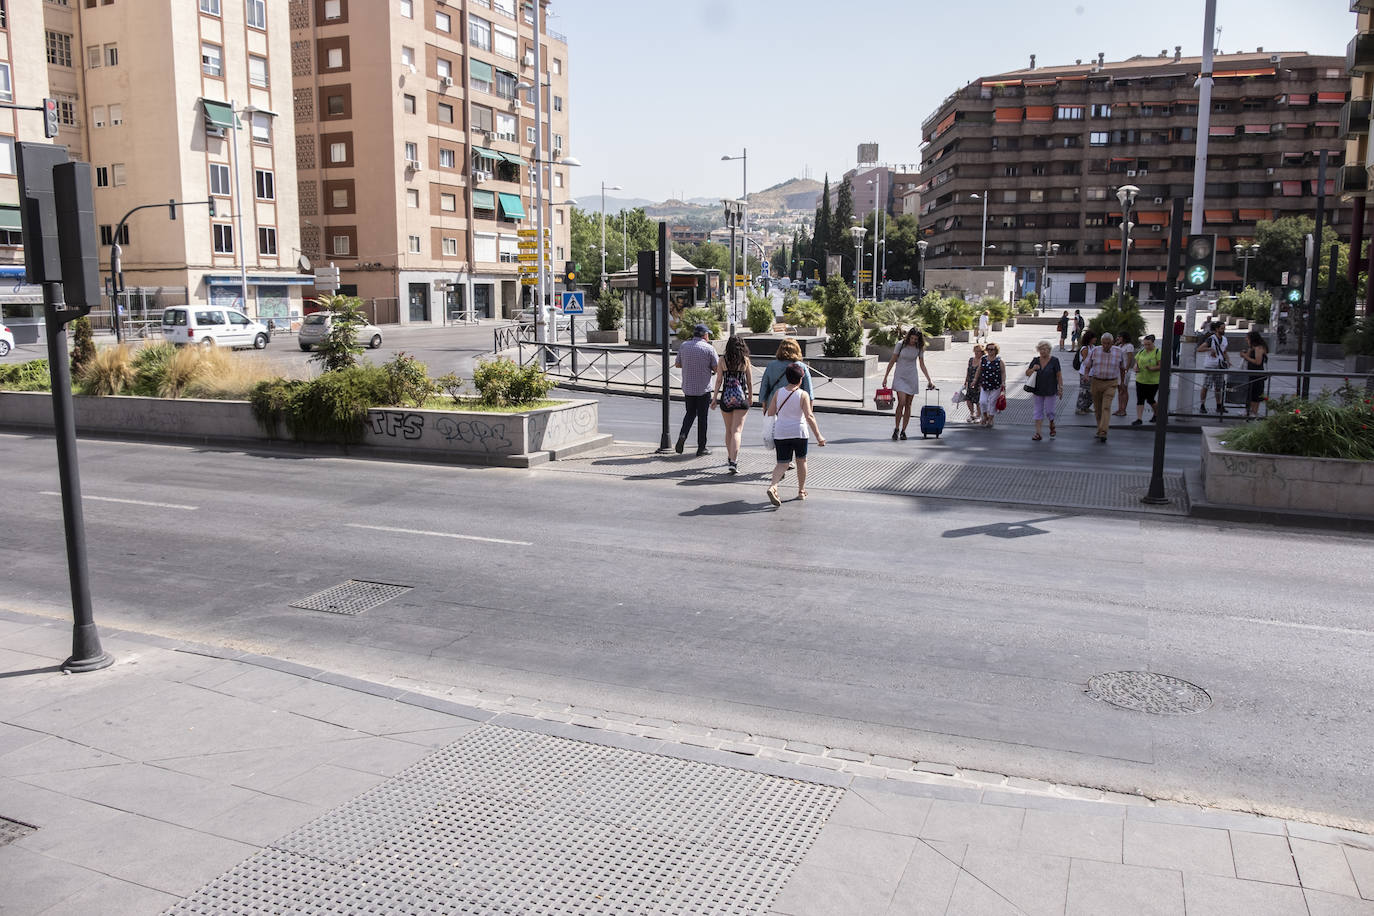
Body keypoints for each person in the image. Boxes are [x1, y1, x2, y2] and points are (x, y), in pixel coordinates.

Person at [765, 363, 825, 506]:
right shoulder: (803, 394)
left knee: (782, 464)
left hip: (781, 432)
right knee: (801, 461)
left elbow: (771, 412)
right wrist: (819, 436)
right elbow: (809, 416)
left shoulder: (778, 393)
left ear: (787, 378)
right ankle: (801, 491)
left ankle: (773, 486)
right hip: (799, 432)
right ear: (800, 379)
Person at [881, 326, 935, 440]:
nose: (913, 341)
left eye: (915, 339)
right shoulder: (900, 344)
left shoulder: (919, 347)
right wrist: (885, 377)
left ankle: (903, 431)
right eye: (912, 338)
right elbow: (892, 360)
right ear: (909, 336)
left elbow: (922, 364)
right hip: (900, 376)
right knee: (901, 402)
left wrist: (929, 380)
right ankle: (896, 428)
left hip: (912, 377)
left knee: (908, 404)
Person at [673, 323, 718, 456]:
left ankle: (683, 434)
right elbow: (716, 368)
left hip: (688, 388)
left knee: (690, 413)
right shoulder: (709, 349)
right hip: (703, 389)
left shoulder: (684, 346)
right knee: (702, 418)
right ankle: (701, 447)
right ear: (704, 335)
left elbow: (677, 364)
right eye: (707, 334)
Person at [711, 335, 754, 473]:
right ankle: (734, 462)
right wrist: (750, 397)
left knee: (729, 430)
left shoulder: (722, 360)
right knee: (737, 431)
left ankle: (730, 457)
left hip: (726, 398)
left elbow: (718, 381)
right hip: (741, 399)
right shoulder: (745, 360)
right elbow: (749, 381)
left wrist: (714, 398)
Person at [1081, 330, 1125, 442]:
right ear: (1101, 342)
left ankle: (1103, 432)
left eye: (1108, 343)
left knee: (1106, 407)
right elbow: (1088, 365)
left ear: (1112, 343)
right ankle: (1100, 429)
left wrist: (1122, 383)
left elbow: (1122, 368)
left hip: (1111, 383)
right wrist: (1086, 375)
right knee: (1098, 409)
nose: (1106, 345)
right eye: (1104, 343)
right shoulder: (1095, 350)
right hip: (1096, 381)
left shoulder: (1118, 352)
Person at [758, 337, 812, 415]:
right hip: (796, 405)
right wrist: (809, 412)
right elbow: (809, 391)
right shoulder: (801, 366)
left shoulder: (771, 365)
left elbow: (764, 387)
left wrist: (765, 407)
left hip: (774, 405)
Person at [1024, 340, 1063, 441]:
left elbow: (1059, 375)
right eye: (1041, 349)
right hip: (1038, 390)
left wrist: (1060, 388)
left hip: (1050, 390)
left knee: (1050, 411)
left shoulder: (1054, 360)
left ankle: (1051, 422)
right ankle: (1038, 433)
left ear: (1049, 350)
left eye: (1045, 349)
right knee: (1037, 411)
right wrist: (1033, 369)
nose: (1042, 351)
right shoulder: (1035, 360)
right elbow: (1027, 373)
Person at [1197, 321, 1229, 415]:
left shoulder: (1224, 339)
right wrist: (1209, 349)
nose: (1223, 330)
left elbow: (1224, 351)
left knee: (1218, 387)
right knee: (1206, 385)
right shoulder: (1211, 339)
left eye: (1224, 328)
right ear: (1217, 329)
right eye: (1222, 328)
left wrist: (1228, 361)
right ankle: (1202, 405)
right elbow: (1199, 349)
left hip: (1220, 365)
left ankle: (1219, 405)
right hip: (1210, 365)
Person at [971, 341, 1006, 428]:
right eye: (988, 349)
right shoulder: (983, 359)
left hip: (996, 385)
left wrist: (1003, 383)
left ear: (996, 350)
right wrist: (975, 380)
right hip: (984, 384)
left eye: (992, 349)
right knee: (982, 401)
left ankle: (990, 419)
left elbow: (1003, 372)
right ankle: (985, 416)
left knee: (992, 402)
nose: (990, 351)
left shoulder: (999, 360)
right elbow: (979, 370)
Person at [1132, 334, 1163, 425]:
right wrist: (1136, 367)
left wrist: (1152, 368)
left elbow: (1161, 366)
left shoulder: (1157, 352)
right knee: (1140, 399)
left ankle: (1157, 413)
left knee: (1150, 399)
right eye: (1145, 344)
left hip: (1153, 381)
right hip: (1141, 379)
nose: (1146, 346)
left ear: (1153, 343)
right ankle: (1139, 418)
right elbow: (1136, 362)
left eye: (1148, 344)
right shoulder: (1142, 352)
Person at [1239, 328, 1269, 418]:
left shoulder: (1259, 348)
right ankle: (1248, 410)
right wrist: (1245, 354)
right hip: (1250, 373)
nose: (1246, 340)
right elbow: (1248, 357)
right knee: (1249, 392)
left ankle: (1254, 412)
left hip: (1257, 374)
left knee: (1255, 393)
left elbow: (1258, 362)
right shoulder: (1252, 348)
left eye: (1248, 339)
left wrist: (1245, 357)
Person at [1074, 329, 1098, 415]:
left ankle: (1086, 406)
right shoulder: (1085, 348)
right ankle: (1079, 408)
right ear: (1090, 338)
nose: (1095, 339)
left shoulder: (1094, 347)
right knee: (1084, 391)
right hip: (1085, 372)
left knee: (1091, 392)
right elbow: (1086, 361)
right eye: (1094, 337)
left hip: (1092, 372)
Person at [1114, 332, 1136, 416]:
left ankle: (1123, 409)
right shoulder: (1119, 346)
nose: (1118, 338)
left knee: (1124, 389)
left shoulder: (1129, 346)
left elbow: (1130, 358)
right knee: (1119, 389)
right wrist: (1116, 344)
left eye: (1120, 337)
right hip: (1118, 370)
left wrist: (1127, 368)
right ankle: (1119, 408)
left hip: (1125, 370)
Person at [963, 343, 985, 423]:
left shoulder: (983, 360)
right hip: (970, 381)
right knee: (968, 399)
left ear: (982, 352)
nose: (976, 353)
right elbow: (968, 370)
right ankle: (972, 414)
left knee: (978, 400)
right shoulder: (971, 360)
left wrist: (982, 384)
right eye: (975, 351)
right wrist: (966, 381)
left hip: (979, 383)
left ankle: (978, 415)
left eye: (978, 351)